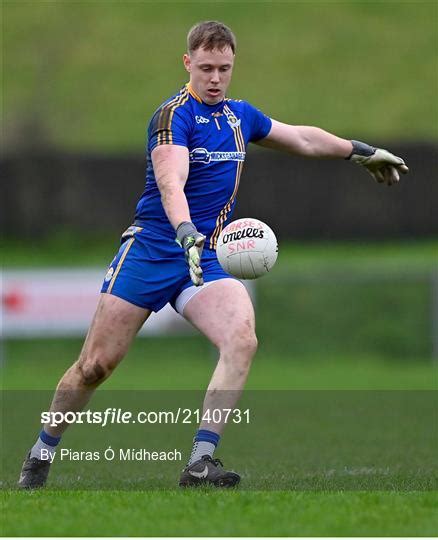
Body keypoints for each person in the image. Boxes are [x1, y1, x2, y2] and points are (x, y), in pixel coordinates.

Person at [18, 20, 408, 489]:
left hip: (206, 258)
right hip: (153, 249)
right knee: (95, 365)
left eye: (224, 68)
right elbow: (170, 181)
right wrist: (184, 232)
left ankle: (200, 462)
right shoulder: (173, 116)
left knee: (241, 338)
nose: (215, 78)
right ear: (188, 64)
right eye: (206, 68)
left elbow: (301, 138)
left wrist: (361, 153)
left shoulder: (240, 117)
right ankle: (41, 452)